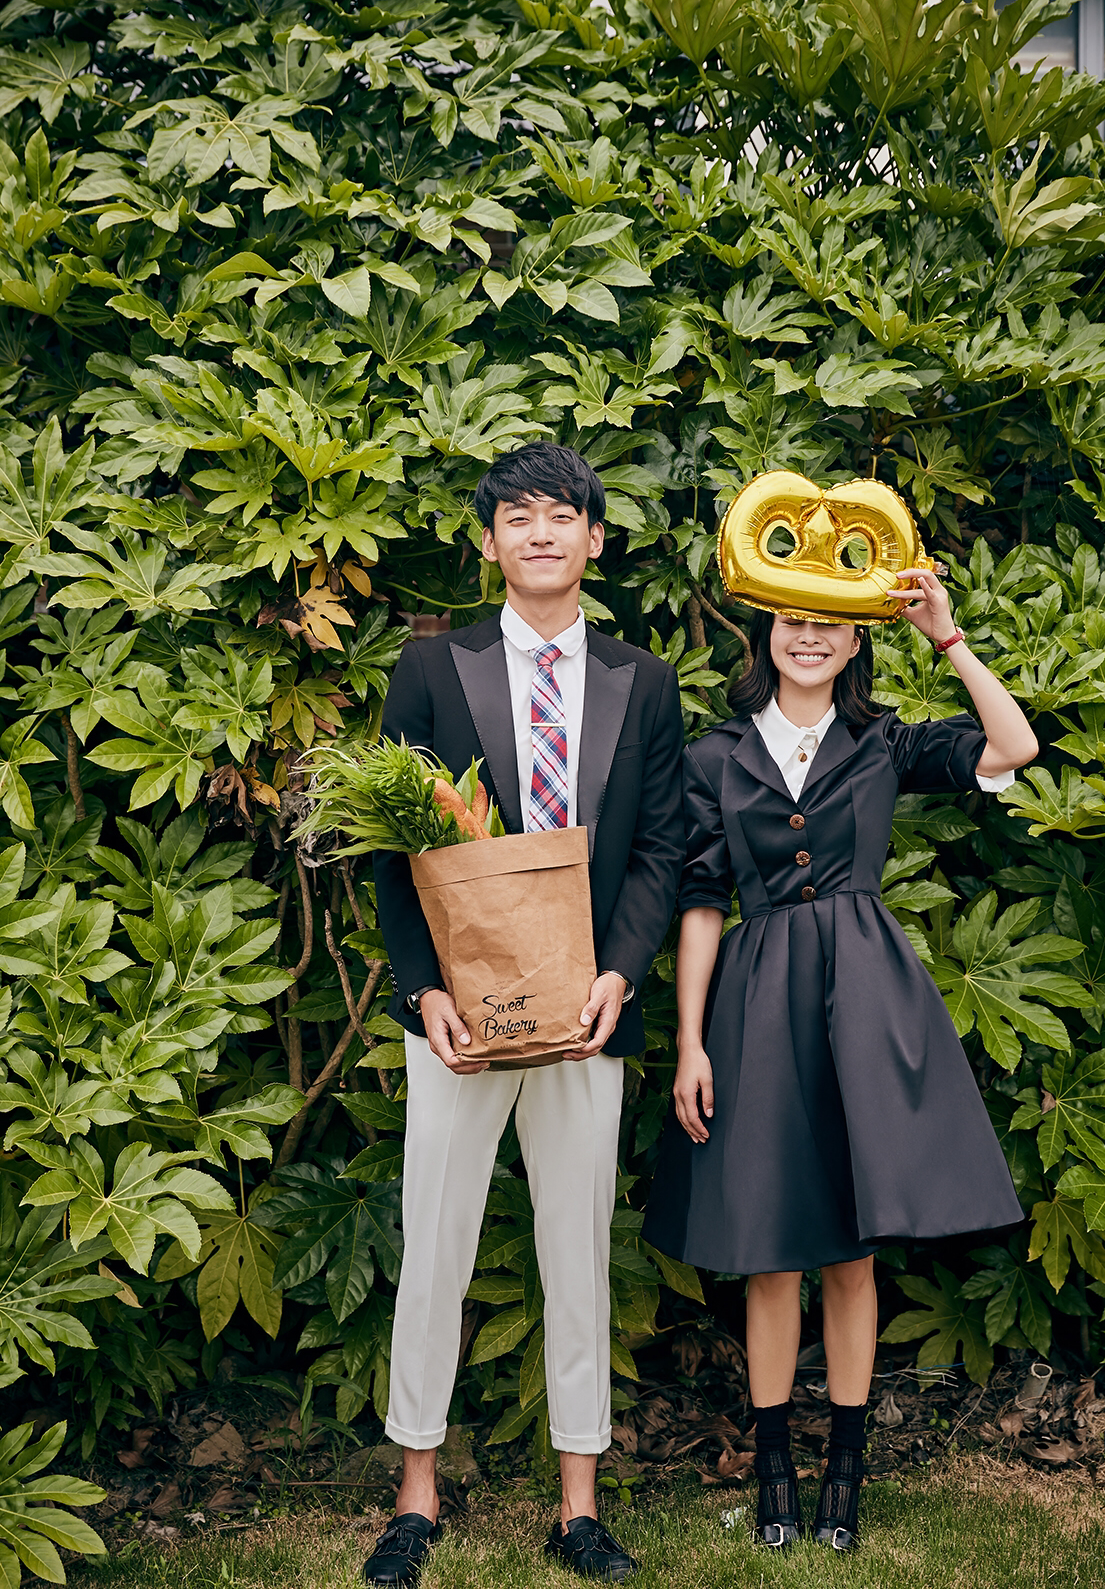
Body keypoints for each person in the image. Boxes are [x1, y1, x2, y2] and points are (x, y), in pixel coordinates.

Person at [643, 566, 1035, 1553]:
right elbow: (701, 904)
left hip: (864, 998)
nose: (808, 636)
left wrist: (947, 636)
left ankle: (845, 1479)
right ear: (765, 632)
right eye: (791, 619)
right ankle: (775, 1474)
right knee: (773, 1252)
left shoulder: (883, 740)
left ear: (857, 639)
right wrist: (690, 1040)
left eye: (829, 623)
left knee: (852, 1253)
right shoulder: (715, 755)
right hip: (757, 1003)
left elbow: (1013, 745)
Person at [366, 442, 685, 1585]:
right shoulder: (431, 668)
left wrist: (623, 972)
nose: (541, 532)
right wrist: (424, 991)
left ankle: (579, 1504)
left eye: (561, 514)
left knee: (577, 1252)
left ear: (595, 537)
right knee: (435, 1247)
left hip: (587, 1012)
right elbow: (392, 850)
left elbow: (660, 847)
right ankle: (414, 1493)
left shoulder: (645, 680)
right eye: (518, 515)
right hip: (459, 1015)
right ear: (490, 541)